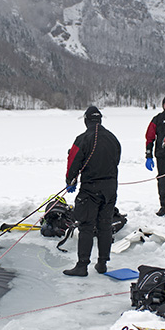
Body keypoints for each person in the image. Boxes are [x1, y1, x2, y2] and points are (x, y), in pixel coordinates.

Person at [63, 106, 121, 277]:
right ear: (100, 120)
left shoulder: (83, 138)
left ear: (87, 120)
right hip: (110, 188)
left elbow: (73, 160)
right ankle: (102, 263)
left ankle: (82, 266)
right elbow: (116, 159)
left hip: (91, 188)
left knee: (86, 227)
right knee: (104, 225)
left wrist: (70, 180)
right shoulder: (113, 138)